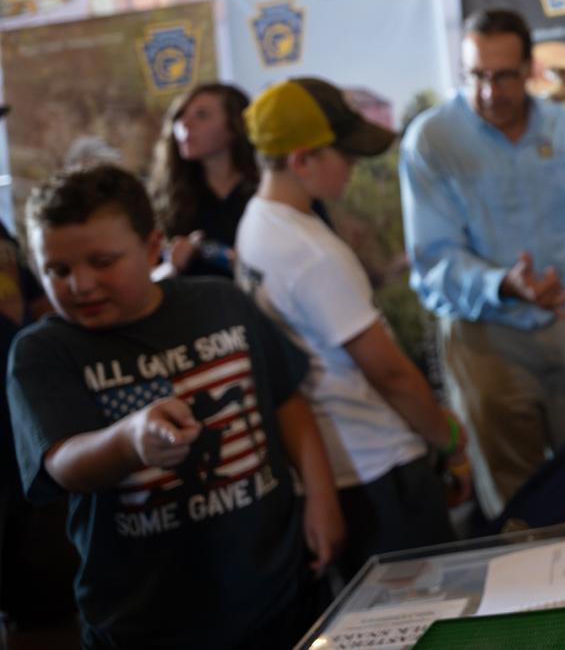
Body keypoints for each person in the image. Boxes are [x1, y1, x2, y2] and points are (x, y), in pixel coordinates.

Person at [6, 164, 343, 649]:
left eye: (102, 261)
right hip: (144, 617)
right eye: (57, 270)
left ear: (151, 247)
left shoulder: (220, 302)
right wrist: (130, 440)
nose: (80, 285)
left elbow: (286, 401)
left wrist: (322, 498)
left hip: (275, 591)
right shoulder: (43, 350)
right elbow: (61, 463)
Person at [236, 78, 467, 579]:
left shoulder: (257, 223)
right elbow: (390, 374)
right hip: (381, 467)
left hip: (338, 466)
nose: (354, 168)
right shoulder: (312, 254)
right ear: (302, 161)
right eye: (344, 155)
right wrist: (448, 437)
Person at [400, 9, 565, 520]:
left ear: (529, 69)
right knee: (517, 503)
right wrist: (503, 284)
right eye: (477, 76)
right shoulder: (432, 141)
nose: (490, 92)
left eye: (504, 76)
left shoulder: (562, 125)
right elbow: (432, 261)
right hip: (484, 339)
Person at [148, 83, 258, 278]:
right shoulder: (167, 198)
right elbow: (145, 282)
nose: (185, 124)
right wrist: (174, 266)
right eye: (181, 116)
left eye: (202, 115)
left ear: (235, 126)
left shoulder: (268, 190)